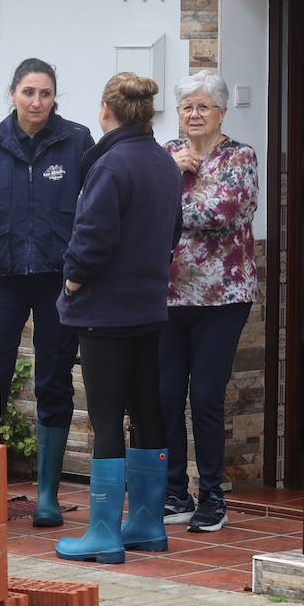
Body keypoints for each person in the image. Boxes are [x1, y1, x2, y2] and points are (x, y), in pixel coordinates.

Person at [0, 58, 94, 529]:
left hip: (59, 278)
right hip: (4, 277)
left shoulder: (75, 141)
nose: (37, 102)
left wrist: (80, 254)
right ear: (12, 93)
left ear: (55, 97)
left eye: (46, 94)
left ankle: (48, 497)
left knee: (54, 378)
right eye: (29, 92)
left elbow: (95, 204)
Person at [53, 72, 183, 565]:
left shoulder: (111, 166)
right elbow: (172, 234)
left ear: (106, 109)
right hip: (149, 308)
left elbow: (91, 242)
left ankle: (104, 533)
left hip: (104, 311)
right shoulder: (165, 164)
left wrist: (70, 284)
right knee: (147, 408)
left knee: (106, 416)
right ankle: (147, 524)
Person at [159, 70, 259, 533]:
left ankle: (212, 496)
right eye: (186, 107)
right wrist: (177, 180)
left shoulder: (240, 158)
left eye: (203, 106)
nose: (194, 115)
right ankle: (174, 491)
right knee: (164, 397)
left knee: (204, 397)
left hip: (223, 297)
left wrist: (179, 188)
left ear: (221, 111)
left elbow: (219, 214)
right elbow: (145, 210)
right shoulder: (164, 156)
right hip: (168, 296)